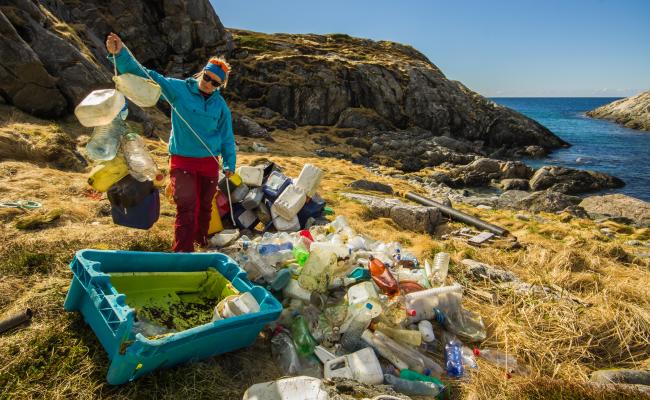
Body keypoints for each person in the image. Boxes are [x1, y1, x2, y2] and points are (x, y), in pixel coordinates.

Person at [106, 32, 236, 252]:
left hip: (209, 163)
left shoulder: (220, 106)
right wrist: (120, 54)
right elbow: (147, 76)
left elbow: (226, 136)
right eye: (207, 77)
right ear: (202, 73)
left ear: (219, 86)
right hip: (182, 160)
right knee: (187, 204)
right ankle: (182, 252)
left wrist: (229, 164)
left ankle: (201, 243)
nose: (208, 84)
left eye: (214, 83)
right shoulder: (179, 89)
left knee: (205, 207)